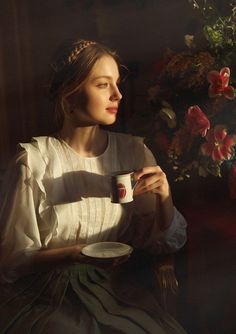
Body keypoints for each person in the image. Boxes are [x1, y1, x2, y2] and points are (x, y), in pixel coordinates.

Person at [0, 39, 187, 333]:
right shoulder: (33, 161)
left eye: (117, 83)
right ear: (70, 95)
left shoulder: (133, 154)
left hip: (113, 289)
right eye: (103, 85)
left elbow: (158, 242)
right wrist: (75, 253)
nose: (118, 94)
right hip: (44, 295)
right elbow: (12, 260)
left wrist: (164, 196)